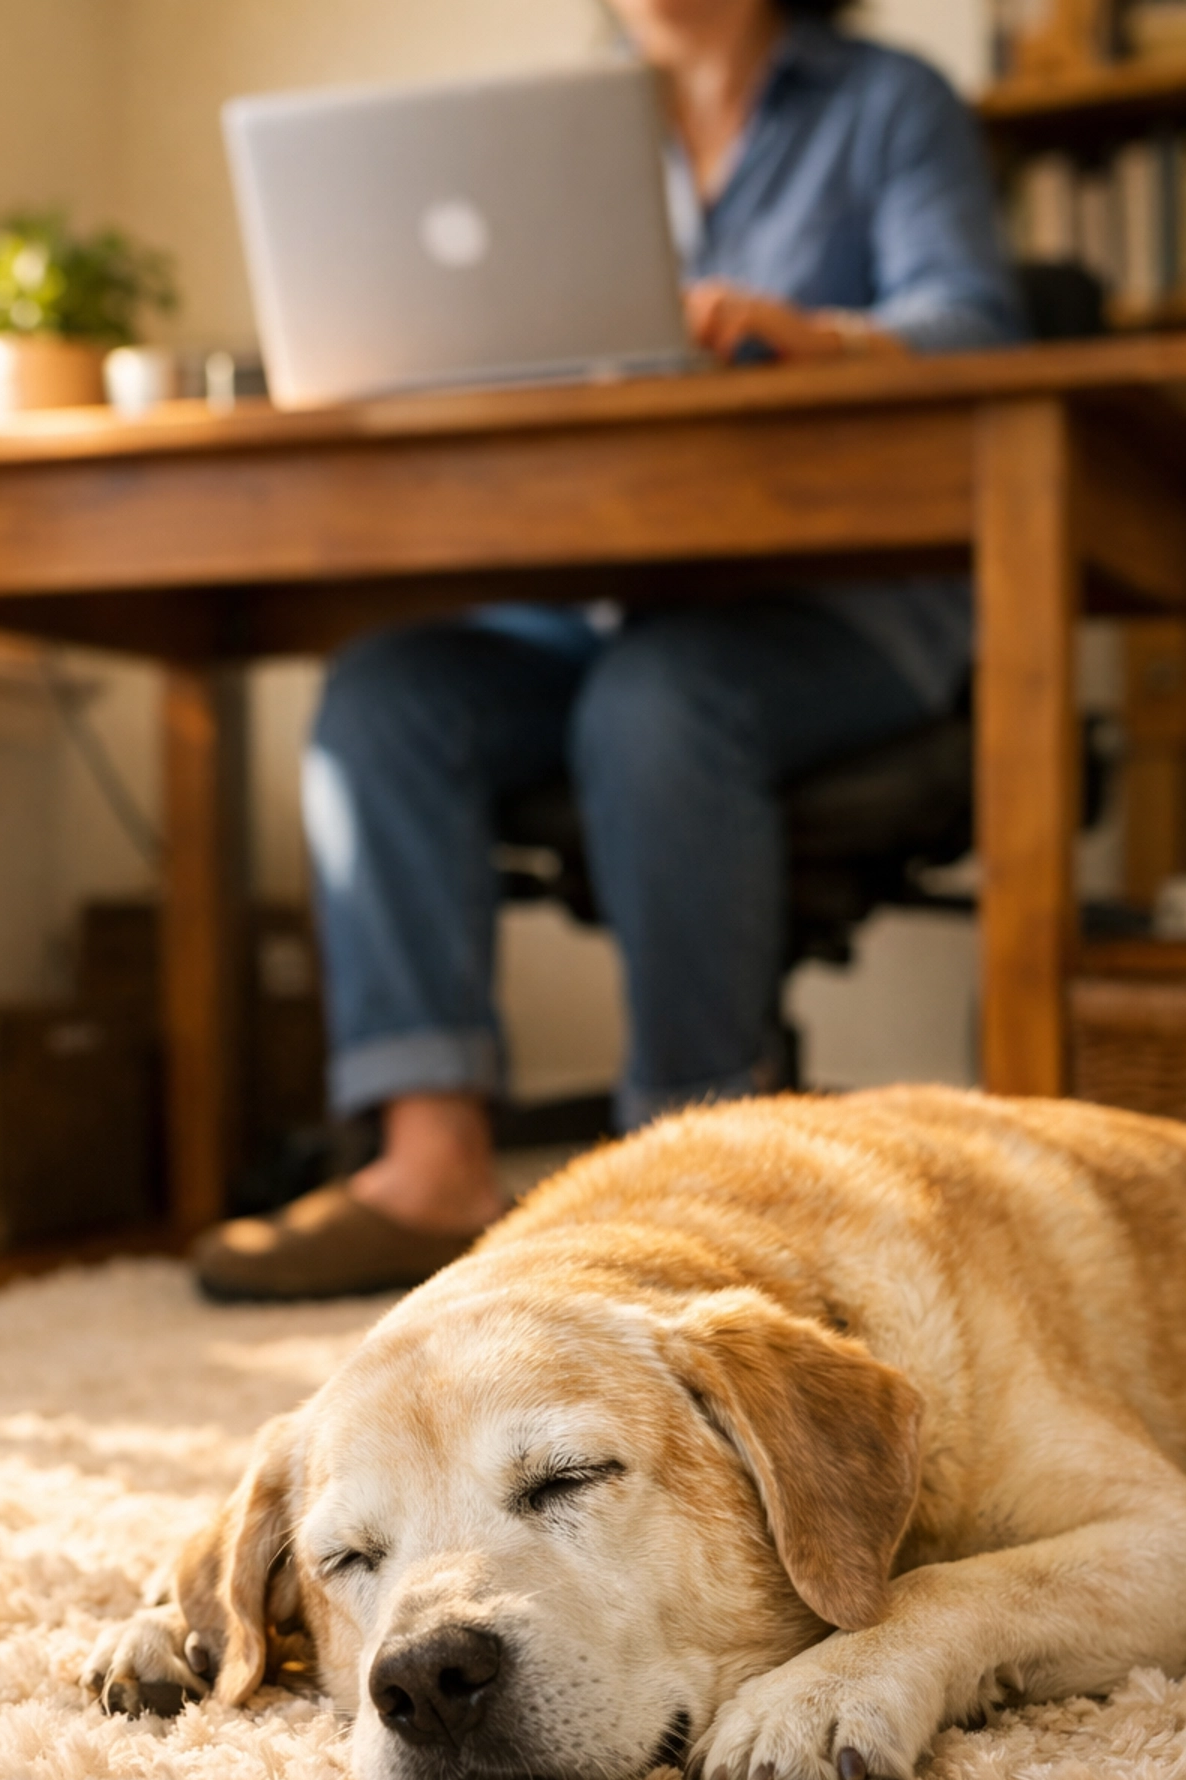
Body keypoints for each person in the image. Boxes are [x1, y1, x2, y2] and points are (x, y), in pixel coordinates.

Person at [194, 0, 1023, 1302]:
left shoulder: (887, 103)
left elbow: (979, 320)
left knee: (660, 701)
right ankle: (429, 1166)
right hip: (607, 592)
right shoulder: (548, 134)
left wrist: (830, 336)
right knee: (384, 694)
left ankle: (686, 1183)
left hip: (845, 610)